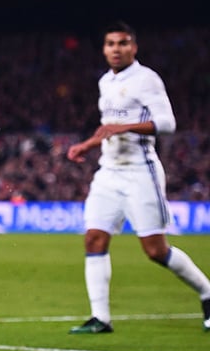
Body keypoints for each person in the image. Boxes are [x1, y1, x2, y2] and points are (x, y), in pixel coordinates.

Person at [67, 20, 210, 334]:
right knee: (94, 238)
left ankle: (207, 293)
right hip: (109, 171)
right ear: (104, 49)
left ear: (134, 47)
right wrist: (87, 145)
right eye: (110, 44)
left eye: (123, 43)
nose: (116, 49)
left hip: (140, 171)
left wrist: (125, 127)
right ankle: (100, 318)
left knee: (156, 250)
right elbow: (109, 125)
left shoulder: (147, 79)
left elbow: (168, 124)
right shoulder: (106, 81)